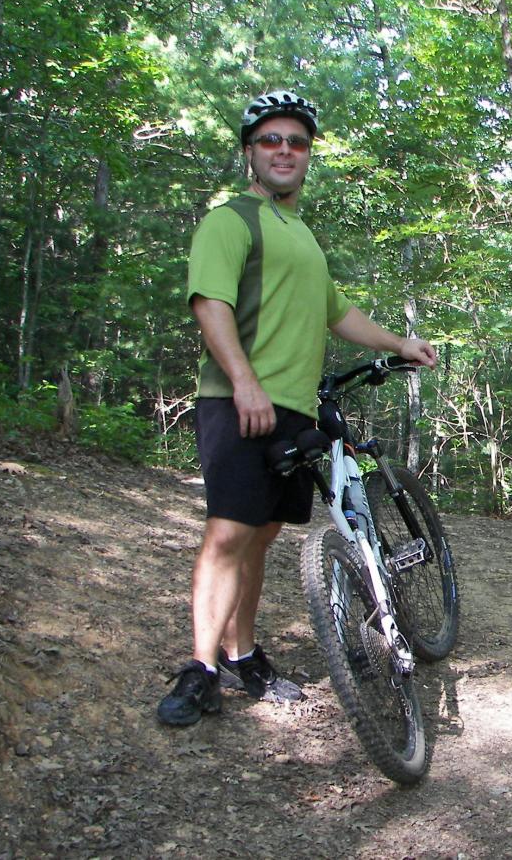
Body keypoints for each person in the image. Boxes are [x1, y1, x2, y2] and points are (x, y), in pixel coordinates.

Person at [158, 90, 437, 726]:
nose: (285, 150)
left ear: (308, 156)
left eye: (297, 142)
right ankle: (201, 670)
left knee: (261, 534)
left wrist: (398, 343)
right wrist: (246, 381)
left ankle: (244, 653)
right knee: (228, 532)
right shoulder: (231, 221)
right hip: (238, 401)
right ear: (249, 153)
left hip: (293, 409)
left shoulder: (302, 235)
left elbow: (337, 312)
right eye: (271, 141)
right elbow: (210, 304)